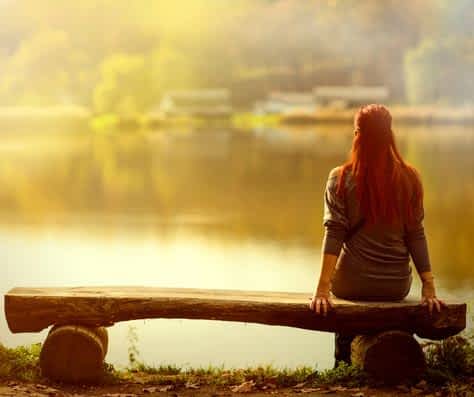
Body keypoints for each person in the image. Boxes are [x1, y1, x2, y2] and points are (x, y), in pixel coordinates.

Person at [308, 104, 445, 364]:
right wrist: (428, 285)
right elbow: (416, 234)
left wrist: (322, 289)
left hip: (351, 285)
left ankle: (343, 363)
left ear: (358, 134)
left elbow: (335, 233)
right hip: (395, 287)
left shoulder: (339, 178)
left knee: (342, 292)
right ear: (389, 134)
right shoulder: (410, 178)